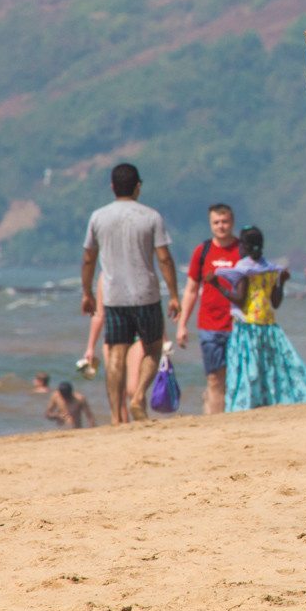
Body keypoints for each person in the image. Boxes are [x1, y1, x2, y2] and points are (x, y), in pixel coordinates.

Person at [80, 163, 180, 424]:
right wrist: (174, 295)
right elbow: (165, 259)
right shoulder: (151, 217)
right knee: (153, 348)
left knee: (116, 354)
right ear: (138, 187)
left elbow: (89, 259)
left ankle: (115, 417)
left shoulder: (98, 217)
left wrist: (87, 292)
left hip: (114, 296)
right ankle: (138, 398)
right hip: (146, 294)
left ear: (112, 187)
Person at [208, 226, 306, 412]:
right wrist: (282, 282)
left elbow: (240, 299)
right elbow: (275, 302)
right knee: (272, 366)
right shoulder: (271, 270)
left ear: (243, 247)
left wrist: (217, 286)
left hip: (247, 327)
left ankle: (245, 404)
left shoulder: (244, 269)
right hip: (269, 326)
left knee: (248, 368)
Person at [175, 203, 241, 415]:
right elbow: (192, 289)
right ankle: (216, 419)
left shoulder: (242, 250)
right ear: (210, 224)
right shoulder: (202, 251)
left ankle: (233, 416)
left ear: (232, 222)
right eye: (216, 222)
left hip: (238, 325)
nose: (221, 226)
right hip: (209, 326)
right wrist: (182, 325)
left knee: (237, 376)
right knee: (214, 378)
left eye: (225, 222)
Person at [83, 275, 144, 420]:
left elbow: (152, 305)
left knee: (130, 389)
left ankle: (135, 422)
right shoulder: (106, 276)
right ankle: (121, 424)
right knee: (121, 390)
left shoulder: (135, 269)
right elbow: (99, 314)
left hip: (132, 335)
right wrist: (90, 347)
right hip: (118, 335)